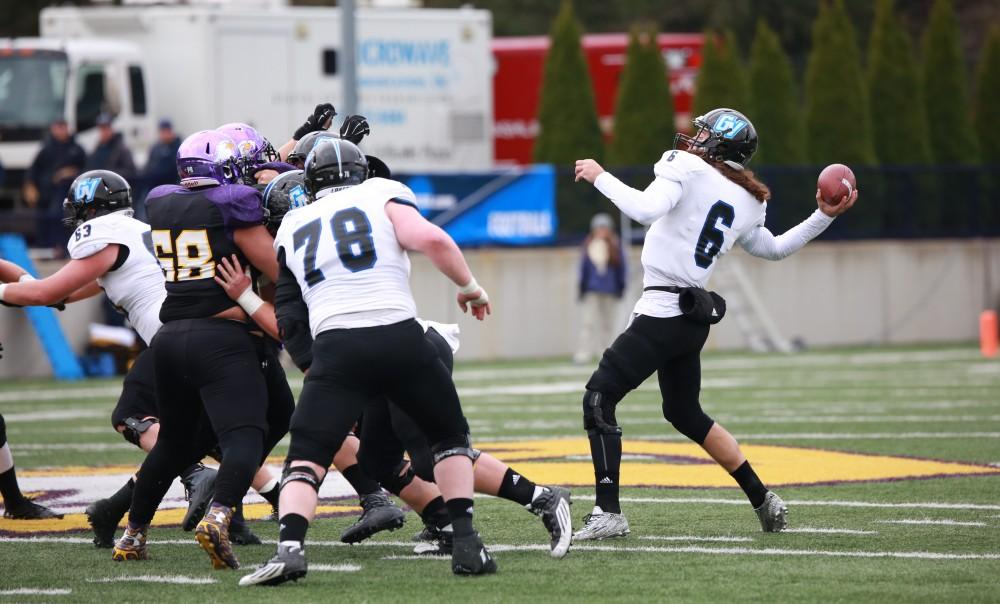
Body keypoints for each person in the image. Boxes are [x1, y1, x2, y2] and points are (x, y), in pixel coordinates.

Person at [570, 108, 857, 541]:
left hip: (665, 311)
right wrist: (824, 216)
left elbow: (646, 210)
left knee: (598, 398)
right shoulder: (748, 198)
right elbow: (775, 249)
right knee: (684, 413)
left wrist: (599, 176)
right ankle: (763, 498)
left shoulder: (684, 165)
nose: (695, 137)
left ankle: (608, 512)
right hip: (691, 319)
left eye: (705, 132)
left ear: (720, 145)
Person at [239, 139, 495, 586]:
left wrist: (311, 364)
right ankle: (468, 543)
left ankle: (291, 550)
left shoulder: (292, 223)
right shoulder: (381, 192)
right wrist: (470, 287)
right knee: (448, 439)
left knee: (307, 456)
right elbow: (431, 238)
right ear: (361, 172)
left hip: (338, 348)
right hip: (400, 336)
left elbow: (288, 309)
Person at [0, 171, 277, 547]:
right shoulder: (136, 234)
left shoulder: (106, 237)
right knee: (210, 430)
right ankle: (240, 504)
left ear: (91, 209)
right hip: (218, 337)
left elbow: (42, 293)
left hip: (178, 340)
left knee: (138, 420)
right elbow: (49, 294)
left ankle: (191, 487)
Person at [110, 130, 289, 570]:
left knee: (173, 441)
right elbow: (282, 271)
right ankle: (219, 516)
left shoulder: (165, 203)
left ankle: (132, 534)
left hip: (169, 340)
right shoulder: (232, 210)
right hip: (223, 339)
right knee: (244, 435)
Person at [23, 119, 86, 249]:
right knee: (43, 221)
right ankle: (44, 248)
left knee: (63, 220)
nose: (61, 130)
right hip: (45, 192)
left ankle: (62, 248)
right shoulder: (46, 149)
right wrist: (29, 185)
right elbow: (34, 169)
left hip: (67, 194)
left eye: (63, 127)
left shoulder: (76, 149)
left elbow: (86, 168)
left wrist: (71, 172)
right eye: (58, 127)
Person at [574, 212, 627, 364]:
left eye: (605, 228)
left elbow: (622, 268)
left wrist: (621, 286)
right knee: (588, 323)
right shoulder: (588, 245)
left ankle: (606, 353)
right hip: (592, 290)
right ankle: (583, 354)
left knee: (608, 324)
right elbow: (583, 269)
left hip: (610, 290)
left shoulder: (616, 246)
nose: (602, 231)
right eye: (599, 228)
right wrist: (582, 288)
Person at [137, 118, 182, 217]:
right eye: (162, 131)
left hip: (172, 184)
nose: (165, 134)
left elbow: (174, 169)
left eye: (167, 131)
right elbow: (148, 166)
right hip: (154, 185)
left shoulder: (178, 146)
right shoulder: (156, 147)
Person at [86, 114, 136, 181]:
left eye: (106, 128)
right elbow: (90, 168)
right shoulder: (97, 149)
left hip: (116, 188)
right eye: (101, 129)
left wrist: (108, 174)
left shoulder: (122, 149)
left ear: (111, 129)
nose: (104, 132)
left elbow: (131, 171)